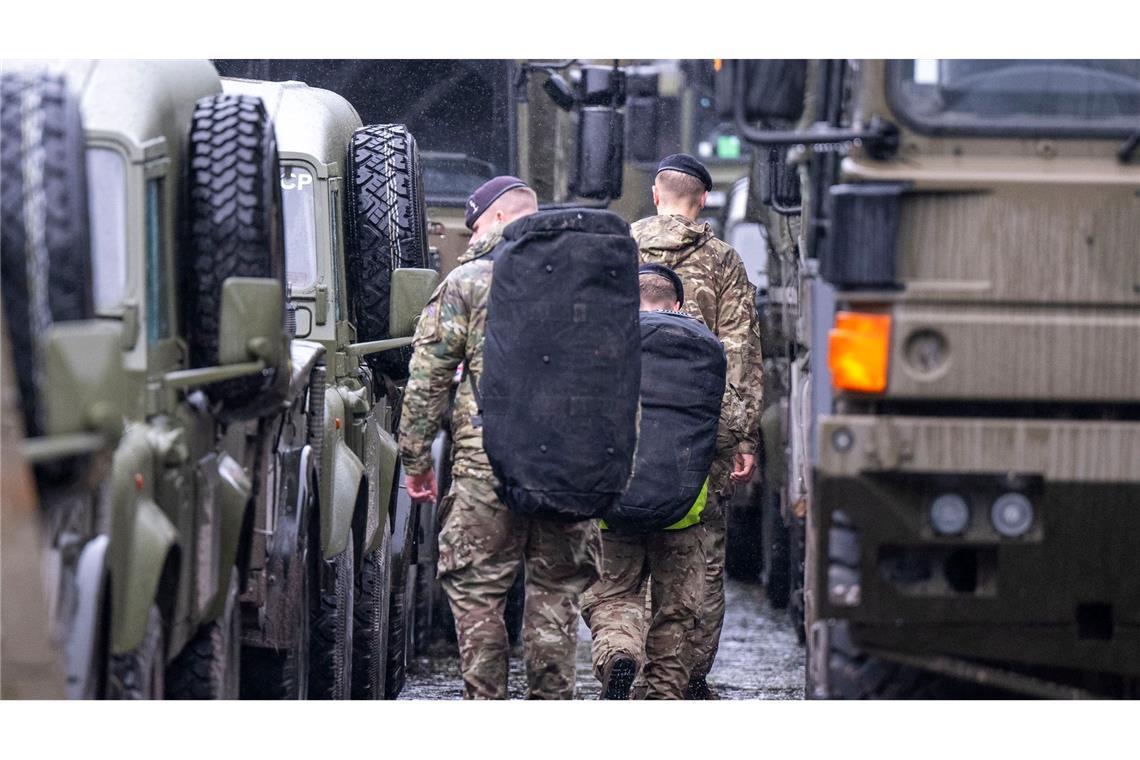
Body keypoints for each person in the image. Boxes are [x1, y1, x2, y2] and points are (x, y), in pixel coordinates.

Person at [398, 176, 600, 699]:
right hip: (567, 463)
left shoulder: (468, 282)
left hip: (486, 462)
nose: (470, 237)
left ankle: (485, 708)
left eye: (479, 223)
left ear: (502, 219)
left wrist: (416, 458)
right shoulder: (585, 282)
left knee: (477, 589)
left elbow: (429, 377)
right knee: (556, 593)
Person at [632, 154, 764, 699]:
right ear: (703, 199)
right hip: (697, 435)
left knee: (621, 551)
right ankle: (685, 678)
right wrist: (739, 436)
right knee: (701, 559)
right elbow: (741, 354)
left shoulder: (616, 249)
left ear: (656, 193)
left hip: (625, 432)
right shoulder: (723, 262)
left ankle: (628, 660)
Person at [581, 264, 729, 700]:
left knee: (611, 597)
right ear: (678, 304)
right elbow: (726, 428)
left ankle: (619, 653)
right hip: (684, 509)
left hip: (612, 507)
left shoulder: (602, 344)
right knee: (676, 613)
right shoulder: (705, 349)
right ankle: (663, 698)